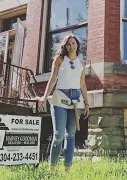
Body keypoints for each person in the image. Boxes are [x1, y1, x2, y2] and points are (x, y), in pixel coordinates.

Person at [39, 33, 90, 172]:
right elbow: (53, 79)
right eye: (68, 44)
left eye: (73, 43)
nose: (71, 46)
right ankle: (52, 168)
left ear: (77, 45)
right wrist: (44, 97)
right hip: (60, 98)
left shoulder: (81, 63)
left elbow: (83, 84)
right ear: (65, 46)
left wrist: (87, 104)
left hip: (76, 102)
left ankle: (67, 169)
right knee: (58, 135)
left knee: (71, 134)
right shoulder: (59, 60)